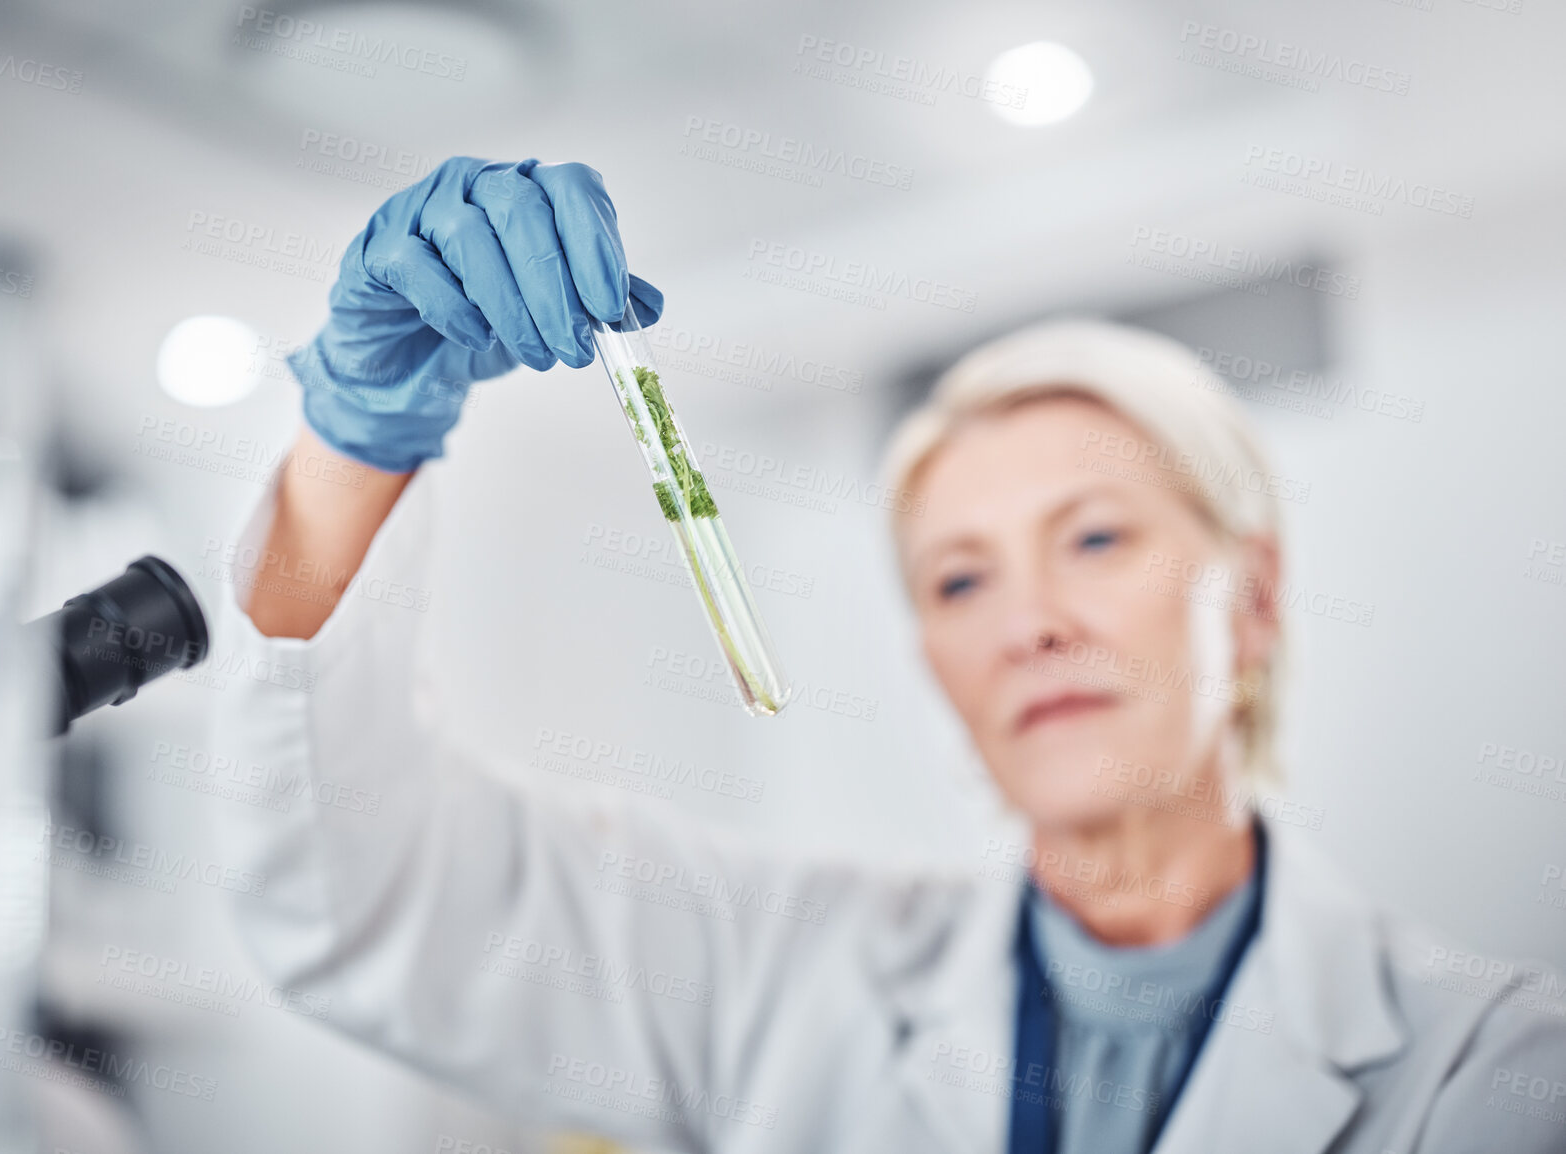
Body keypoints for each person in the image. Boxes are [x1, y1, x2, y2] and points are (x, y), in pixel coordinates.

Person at [210, 157, 1566, 1153]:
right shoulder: (777, 973)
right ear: (931, 654)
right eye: (961, 578)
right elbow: (361, 899)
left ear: (1253, 594)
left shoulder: (1496, 1069)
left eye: (1095, 539)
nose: (1030, 623)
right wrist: (358, 436)